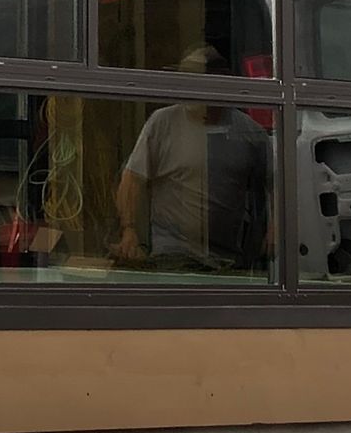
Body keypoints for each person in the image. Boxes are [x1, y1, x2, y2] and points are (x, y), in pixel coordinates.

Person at [113, 46, 270, 273]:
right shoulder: (162, 123)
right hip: (173, 256)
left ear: (218, 83)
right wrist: (128, 230)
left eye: (195, 77)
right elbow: (132, 180)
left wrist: (275, 229)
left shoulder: (248, 132)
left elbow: (274, 187)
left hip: (227, 260)